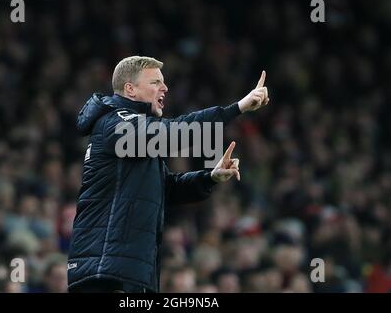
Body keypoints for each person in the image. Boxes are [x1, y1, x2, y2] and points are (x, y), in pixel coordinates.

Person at [67, 56, 269, 293]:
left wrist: (209, 177)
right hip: (105, 270)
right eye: (155, 82)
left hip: (127, 269)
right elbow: (174, 133)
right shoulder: (115, 123)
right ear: (130, 89)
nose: (164, 88)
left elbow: (165, 189)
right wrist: (237, 108)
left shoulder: (138, 135)